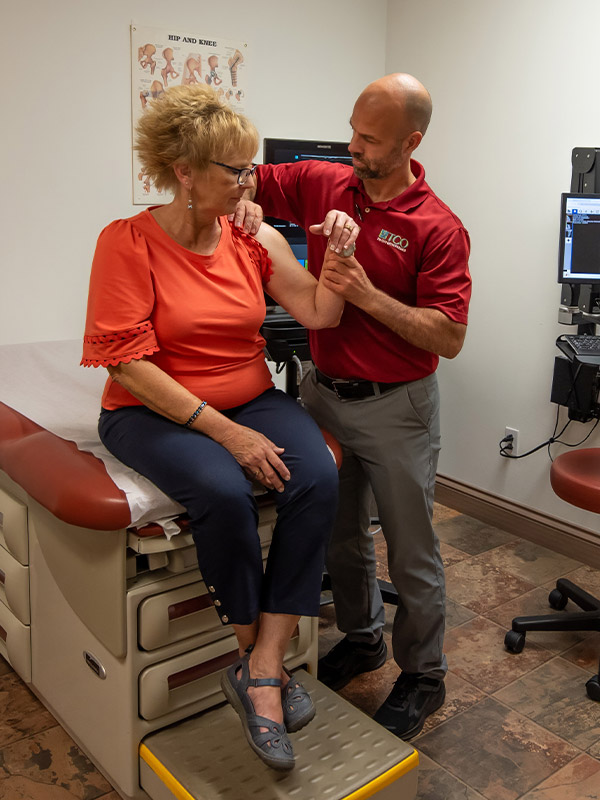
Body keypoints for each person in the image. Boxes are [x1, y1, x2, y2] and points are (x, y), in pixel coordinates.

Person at [81, 84, 352, 770]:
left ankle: (261, 665)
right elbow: (132, 366)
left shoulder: (252, 237)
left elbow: (319, 314)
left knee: (318, 475)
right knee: (224, 492)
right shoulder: (126, 242)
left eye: (248, 168)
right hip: (147, 411)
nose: (247, 182)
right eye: (234, 170)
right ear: (184, 172)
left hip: (248, 396)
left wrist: (341, 257)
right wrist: (226, 435)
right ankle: (255, 662)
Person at [234, 73, 472, 740]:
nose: (353, 146)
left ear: (410, 143)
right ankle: (364, 638)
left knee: (410, 550)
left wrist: (367, 295)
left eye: (369, 139)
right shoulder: (324, 179)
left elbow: (448, 337)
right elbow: (246, 178)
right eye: (353, 130)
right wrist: (246, 201)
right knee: (338, 535)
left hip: (397, 408)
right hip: (324, 395)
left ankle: (424, 674)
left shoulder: (438, 228)